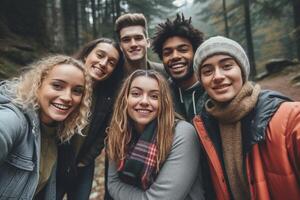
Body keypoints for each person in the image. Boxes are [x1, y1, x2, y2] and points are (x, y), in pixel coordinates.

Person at [193, 36, 300, 200]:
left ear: (242, 71)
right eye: (207, 71)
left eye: (227, 66)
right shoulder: (204, 128)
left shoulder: (290, 117)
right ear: (202, 81)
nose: (218, 76)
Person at [0, 55, 92, 199]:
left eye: (77, 91)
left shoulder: (55, 131)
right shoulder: (14, 119)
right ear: (38, 85)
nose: (67, 97)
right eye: (57, 86)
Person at [106, 69, 205, 200]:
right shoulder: (118, 132)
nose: (144, 101)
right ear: (125, 99)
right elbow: (112, 184)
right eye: (136, 94)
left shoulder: (182, 133)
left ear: (163, 102)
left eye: (154, 96)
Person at [56, 38, 124, 200]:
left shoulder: (109, 96)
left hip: (83, 165)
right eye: (100, 55)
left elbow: (103, 134)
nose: (103, 63)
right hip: (54, 163)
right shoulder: (62, 80)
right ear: (87, 55)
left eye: (111, 62)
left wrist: (85, 161)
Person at [152, 13, 206, 122]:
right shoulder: (161, 96)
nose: (175, 56)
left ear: (196, 53)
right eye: (168, 52)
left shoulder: (213, 88)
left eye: (183, 50)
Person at [115, 13, 167, 77]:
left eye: (138, 38)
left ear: (148, 42)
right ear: (120, 46)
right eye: (126, 40)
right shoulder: (112, 77)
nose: (133, 44)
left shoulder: (165, 73)